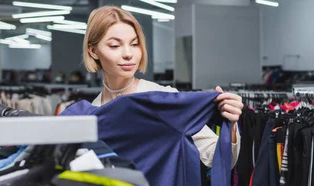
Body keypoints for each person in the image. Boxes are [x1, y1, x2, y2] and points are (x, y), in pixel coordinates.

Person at [82, 6, 243, 169]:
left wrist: (230, 127)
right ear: (93, 51)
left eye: (135, 44)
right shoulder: (89, 115)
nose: (128, 53)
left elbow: (218, 158)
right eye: (115, 45)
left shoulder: (164, 100)